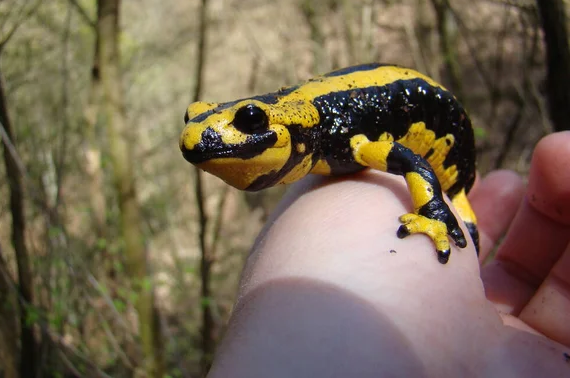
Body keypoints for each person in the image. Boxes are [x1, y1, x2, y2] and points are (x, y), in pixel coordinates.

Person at [208, 132, 570, 377]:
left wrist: (433, 212)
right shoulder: (324, 147)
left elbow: (413, 162)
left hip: (453, 177)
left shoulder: (350, 141)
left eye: (253, 120)